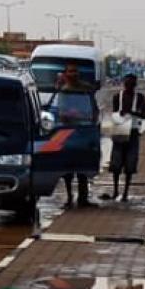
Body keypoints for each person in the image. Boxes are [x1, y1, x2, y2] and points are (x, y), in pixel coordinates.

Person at [54, 62, 96, 207]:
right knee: (68, 168)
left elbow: (93, 108)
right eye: (70, 71)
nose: (73, 74)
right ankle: (69, 197)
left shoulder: (86, 88)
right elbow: (62, 113)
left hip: (84, 131)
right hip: (68, 133)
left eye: (75, 71)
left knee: (83, 167)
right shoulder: (63, 91)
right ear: (65, 74)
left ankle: (83, 198)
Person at [101, 73, 145, 201]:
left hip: (133, 132)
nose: (129, 86)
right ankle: (116, 190)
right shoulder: (117, 97)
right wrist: (120, 114)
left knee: (130, 164)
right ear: (124, 84)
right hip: (120, 131)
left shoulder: (140, 98)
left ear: (135, 85)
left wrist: (132, 112)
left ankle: (126, 193)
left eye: (132, 84)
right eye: (127, 84)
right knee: (116, 164)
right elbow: (115, 114)